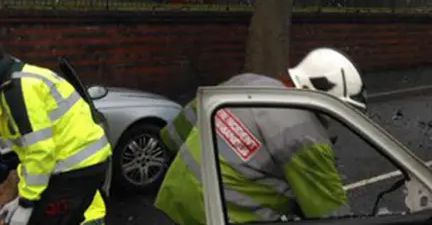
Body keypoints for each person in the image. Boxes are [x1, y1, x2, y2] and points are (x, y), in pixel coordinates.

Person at [155, 48, 366, 225]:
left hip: (177, 192)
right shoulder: (307, 138)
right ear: (328, 101)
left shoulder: (248, 82)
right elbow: (329, 211)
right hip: (222, 214)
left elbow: (182, 125)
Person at [0, 52, 112, 225]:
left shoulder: (17, 90)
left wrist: (26, 203)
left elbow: (40, 151)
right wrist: (22, 198)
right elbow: (29, 151)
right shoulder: (14, 82)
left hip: (73, 170)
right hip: (69, 169)